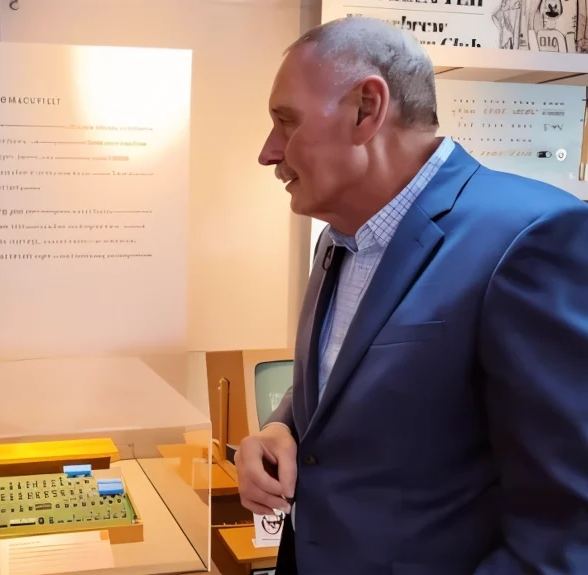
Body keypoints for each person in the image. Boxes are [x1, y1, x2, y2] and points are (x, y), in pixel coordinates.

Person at [236, 17, 588, 574]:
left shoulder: (531, 238)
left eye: (286, 122)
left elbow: (569, 525)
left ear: (366, 109)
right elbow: (352, 385)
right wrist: (283, 427)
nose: (269, 152)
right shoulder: (337, 237)